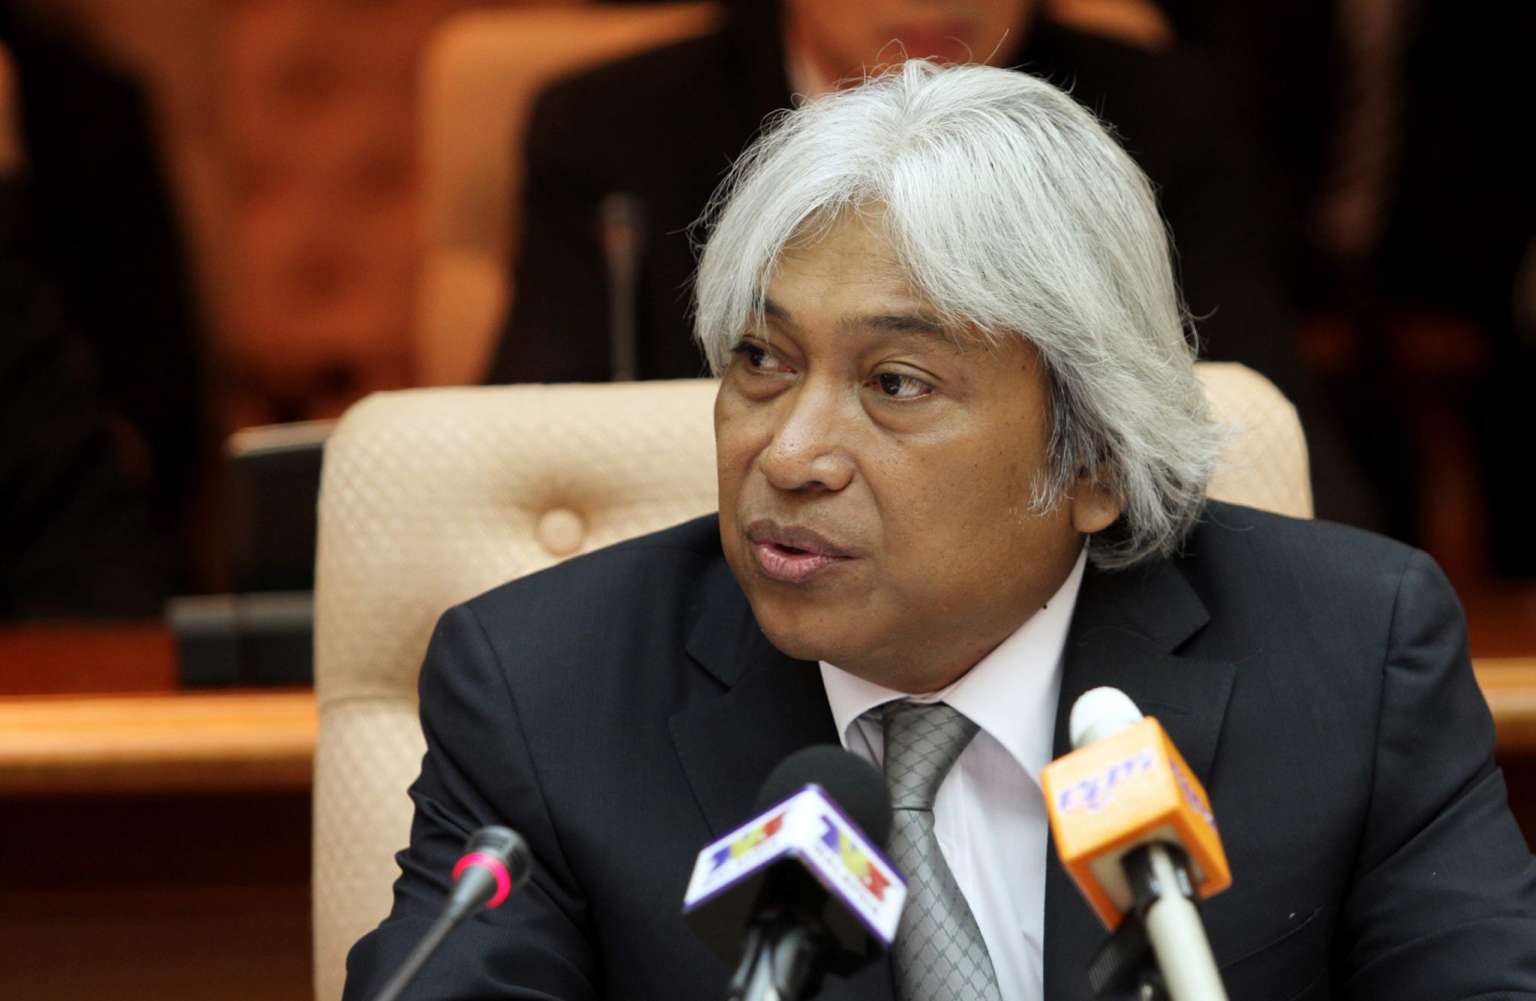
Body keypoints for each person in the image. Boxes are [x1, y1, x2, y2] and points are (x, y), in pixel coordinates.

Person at [346, 63, 1536, 1000]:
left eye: (895, 383)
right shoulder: (545, 695)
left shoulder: (1354, 662)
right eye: (762, 359)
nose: (791, 453)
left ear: (1094, 459)